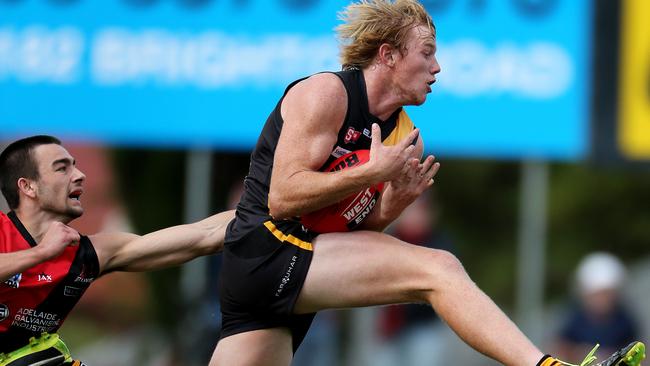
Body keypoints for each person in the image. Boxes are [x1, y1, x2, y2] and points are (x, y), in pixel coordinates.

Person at [210, 1, 645, 366]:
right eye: (427, 52)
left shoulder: (403, 135)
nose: (437, 67)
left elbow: (350, 233)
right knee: (439, 268)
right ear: (388, 55)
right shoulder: (327, 92)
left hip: (293, 266)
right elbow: (282, 197)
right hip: (267, 253)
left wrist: (389, 207)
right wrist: (372, 174)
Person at [0, 135, 235, 365]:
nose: (80, 176)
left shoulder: (90, 253)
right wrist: (42, 252)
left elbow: (204, 235)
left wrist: (263, 213)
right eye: (62, 169)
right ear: (28, 186)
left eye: (76, 166)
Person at [556, 252, 640, 362]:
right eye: (597, 295)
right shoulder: (574, 320)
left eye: (606, 294)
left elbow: (637, 350)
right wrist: (577, 353)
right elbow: (559, 347)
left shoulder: (624, 322)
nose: (601, 300)